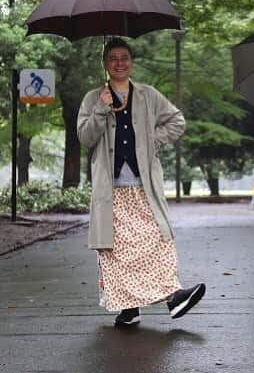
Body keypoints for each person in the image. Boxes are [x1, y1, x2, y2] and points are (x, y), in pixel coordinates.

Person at [77, 37, 205, 326]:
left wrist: (152, 141)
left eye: (125, 57)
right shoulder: (92, 98)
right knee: (116, 248)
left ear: (131, 62)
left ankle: (173, 296)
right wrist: (101, 108)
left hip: (143, 185)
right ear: (105, 64)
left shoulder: (148, 95)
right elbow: (85, 137)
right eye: (113, 59)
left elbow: (177, 121)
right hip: (110, 190)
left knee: (157, 238)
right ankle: (128, 307)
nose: (119, 63)